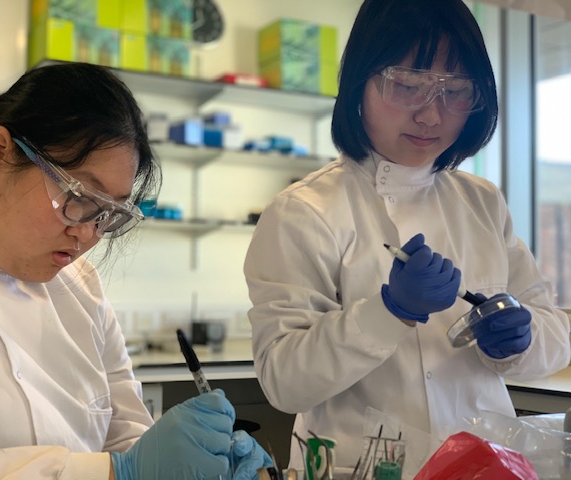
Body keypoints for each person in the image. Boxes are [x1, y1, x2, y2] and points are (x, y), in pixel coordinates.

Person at [243, 0, 571, 473]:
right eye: (408, 85)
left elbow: (553, 333)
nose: (432, 116)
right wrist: (388, 311)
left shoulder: (483, 203)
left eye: (456, 91)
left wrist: (522, 337)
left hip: (484, 464)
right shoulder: (302, 212)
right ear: (359, 83)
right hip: (356, 465)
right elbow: (285, 381)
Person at [0, 62, 270, 479]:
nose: (87, 234)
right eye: (80, 195)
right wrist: (119, 472)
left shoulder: (80, 287)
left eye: (109, 213)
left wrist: (195, 463)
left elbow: (126, 434)